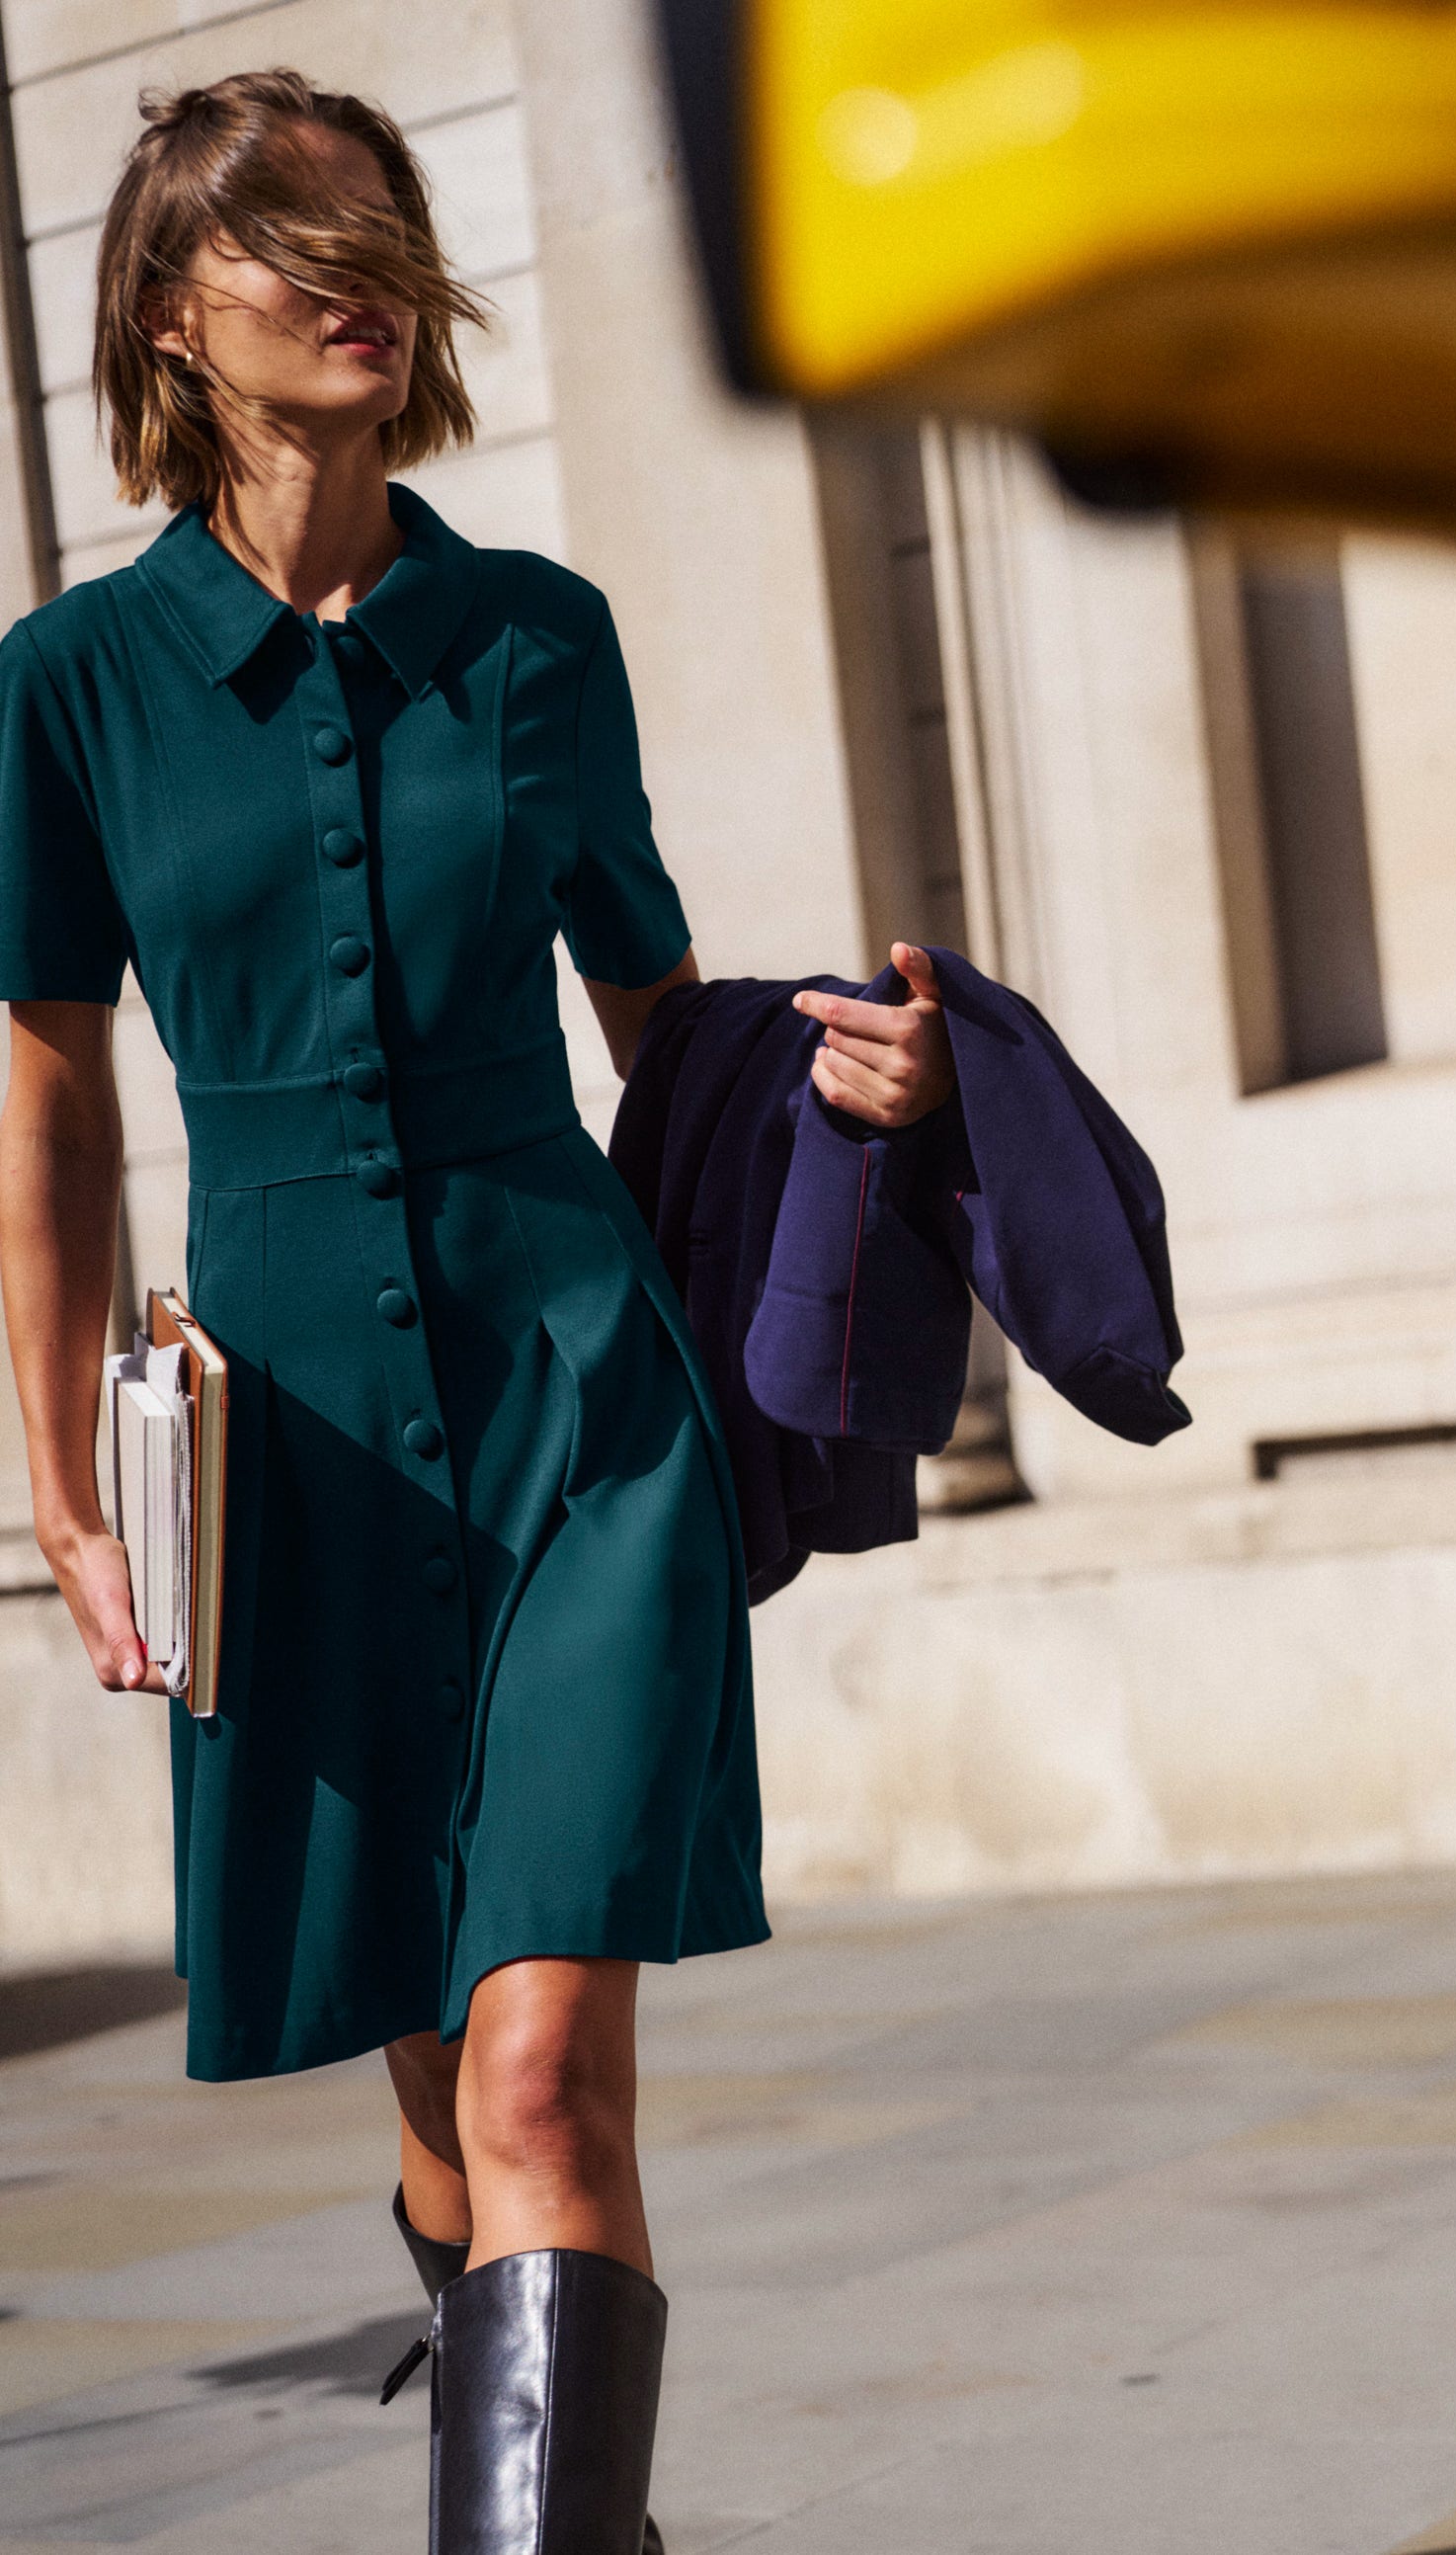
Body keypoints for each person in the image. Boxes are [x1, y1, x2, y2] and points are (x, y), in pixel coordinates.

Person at [0, 70, 954, 2553]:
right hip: (288, 1442)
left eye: (374, 224)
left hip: (573, 1413)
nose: (350, 271)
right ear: (170, 315)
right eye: (286, 239)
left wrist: (858, 1079)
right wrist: (69, 1496)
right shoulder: (67, 686)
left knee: (544, 2086)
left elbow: (670, 1028)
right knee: (443, 2115)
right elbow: (57, 1122)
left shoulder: (539, 641)